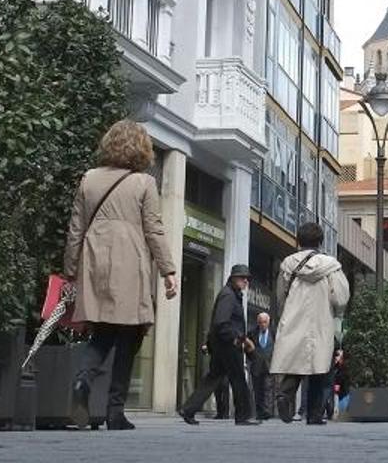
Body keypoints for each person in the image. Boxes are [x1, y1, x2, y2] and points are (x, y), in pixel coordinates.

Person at [65, 120, 178, 431]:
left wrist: (71, 270)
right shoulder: (144, 183)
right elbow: (153, 229)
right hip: (130, 259)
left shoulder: (88, 179)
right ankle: (115, 411)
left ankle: (82, 381)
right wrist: (168, 269)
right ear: (141, 148)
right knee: (130, 333)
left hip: (95, 258)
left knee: (101, 332)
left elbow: (76, 229)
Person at [270, 222, 350, 426]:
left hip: (294, 317)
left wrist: (283, 314)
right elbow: (340, 297)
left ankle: (285, 394)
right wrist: (337, 312)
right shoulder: (331, 265)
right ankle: (315, 415)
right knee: (320, 368)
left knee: (295, 362)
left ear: (298, 240)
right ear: (320, 242)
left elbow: (280, 295)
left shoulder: (288, 263)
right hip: (321, 320)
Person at [179, 265, 259, 426]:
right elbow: (221, 322)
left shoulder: (231, 294)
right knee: (238, 379)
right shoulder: (228, 295)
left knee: (213, 378)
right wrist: (239, 338)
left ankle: (188, 409)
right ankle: (243, 416)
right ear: (233, 278)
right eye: (242, 278)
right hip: (228, 345)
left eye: (247, 279)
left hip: (222, 344)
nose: (245, 281)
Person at [247, 312, 276, 420]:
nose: (263, 325)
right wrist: (252, 358)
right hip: (256, 365)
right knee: (257, 389)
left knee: (268, 388)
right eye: (260, 322)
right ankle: (260, 412)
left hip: (270, 365)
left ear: (268, 322)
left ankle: (267, 411)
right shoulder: (252, 333)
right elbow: (247, 348)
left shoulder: (274, 332)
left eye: (265, 322)